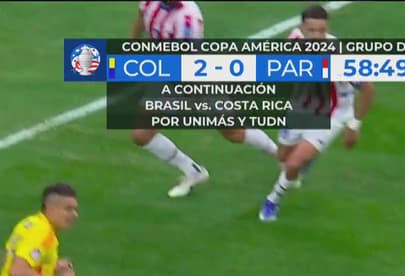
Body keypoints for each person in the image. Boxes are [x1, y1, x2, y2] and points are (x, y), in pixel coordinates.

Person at [129, 1, 280, 198]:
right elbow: (141, 18)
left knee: (233, 131)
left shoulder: (188, 17)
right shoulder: (150, 3)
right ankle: (193, 171)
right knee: (141, 134)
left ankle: (281, 156)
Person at [258, 5, 376, 222]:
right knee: (283, 157)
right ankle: (306, 159)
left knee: (293, 164)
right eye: (311, 31)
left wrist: (354, 125)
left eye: (321, 31)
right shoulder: (294, 41)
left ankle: (273, 200)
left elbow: (368, 89)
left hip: (333, 114)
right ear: (302, 29)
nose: (317, 37)